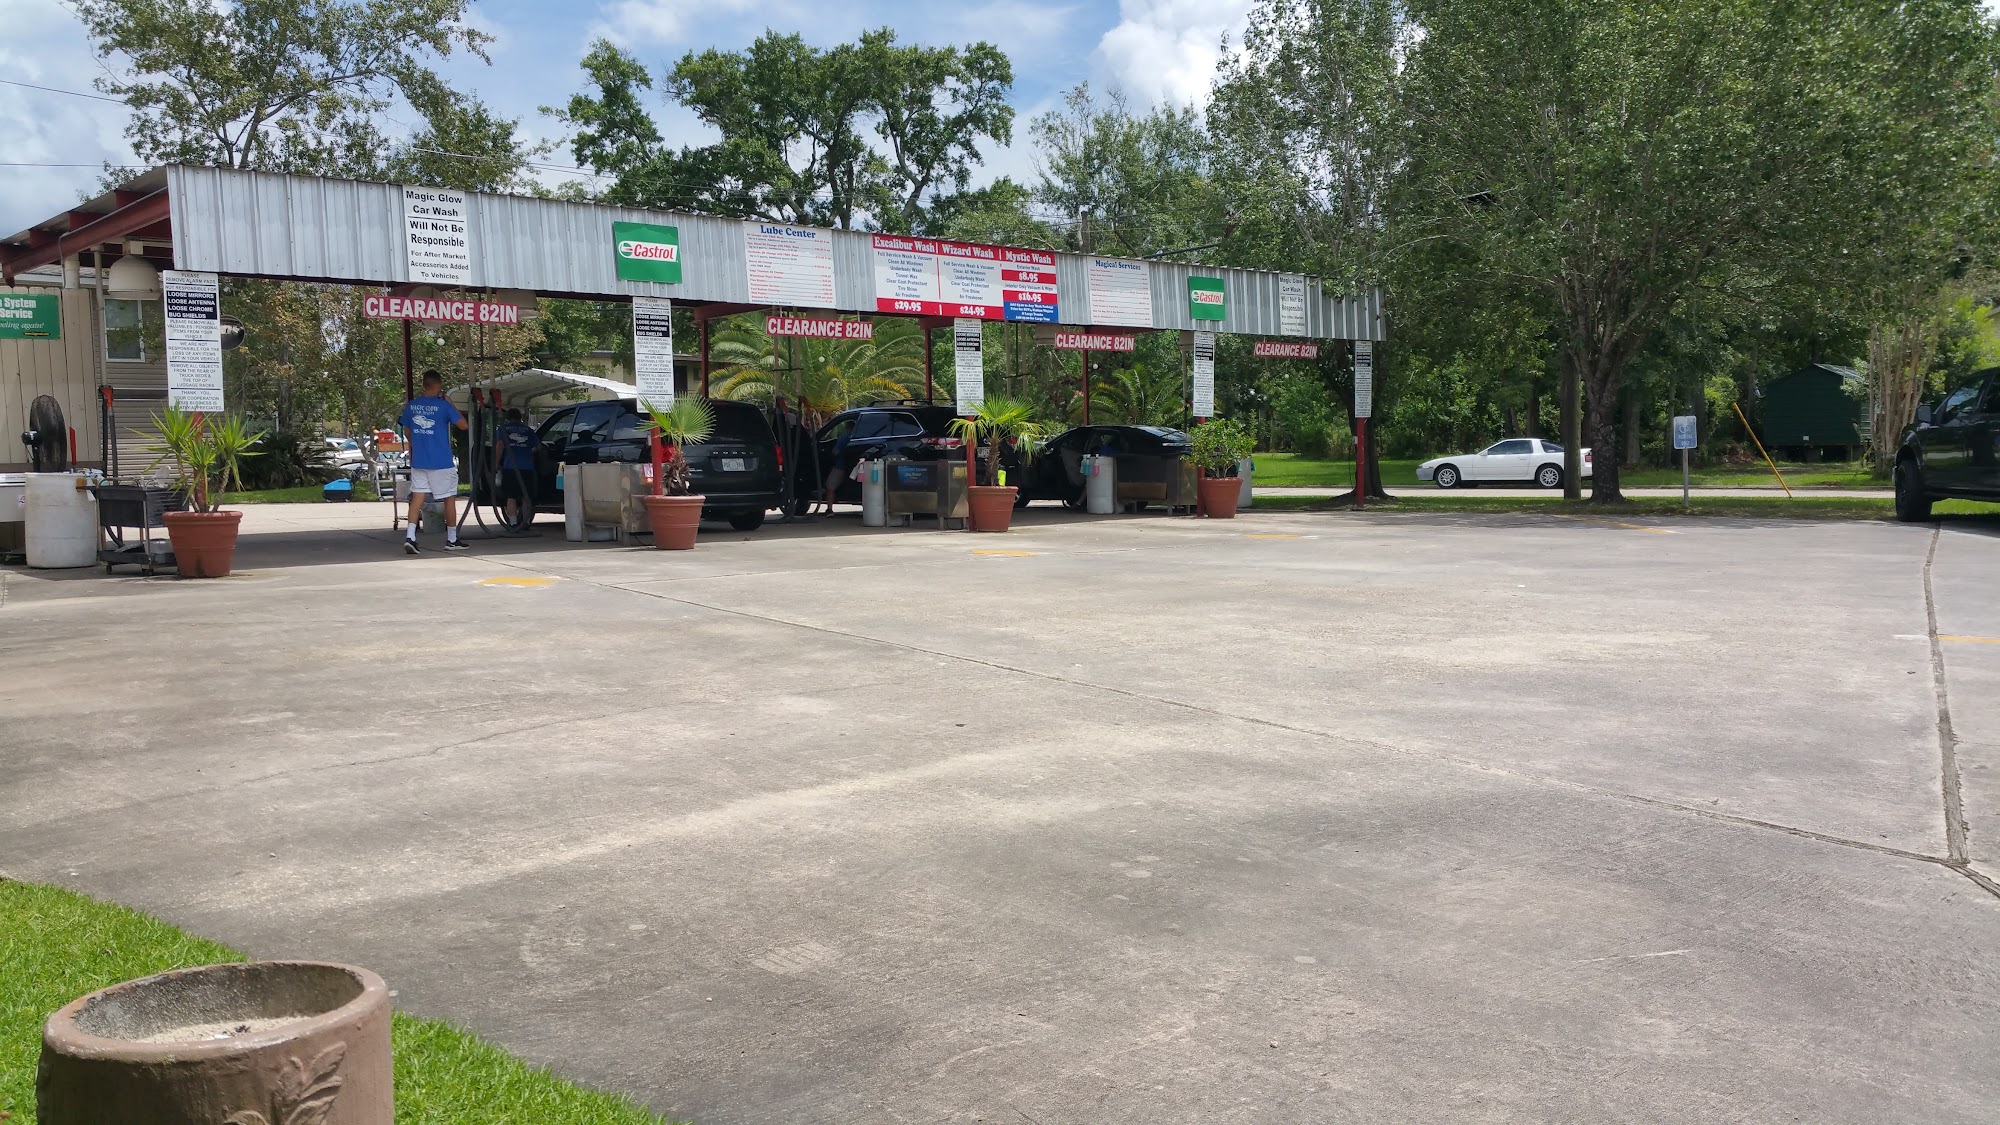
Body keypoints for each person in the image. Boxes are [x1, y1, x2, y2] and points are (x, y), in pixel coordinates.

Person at [398, 370, 469, 553]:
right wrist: (451, 404)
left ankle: (411, 537)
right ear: (438, 385)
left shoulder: (412, 406)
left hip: (419, 461)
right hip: (441, 461)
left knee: (417, 497)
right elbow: (464, 425)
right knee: (449, 498)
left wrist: (418, 445)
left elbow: (407, 431)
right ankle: (452, 539)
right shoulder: (443, 405)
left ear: (424, 385)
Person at [491, 407, 538, 529]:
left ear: (507, 418)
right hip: (527, 467)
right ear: (520, 417)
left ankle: (513, 523)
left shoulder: (503, 429)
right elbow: (538, 447)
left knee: (511, 496)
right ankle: (526, 523)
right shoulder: (528, 430)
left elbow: (500, 445)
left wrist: (496, 464)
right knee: (526, 496)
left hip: (510, 467)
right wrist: (526, 451)